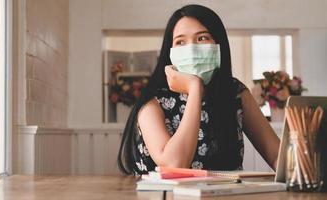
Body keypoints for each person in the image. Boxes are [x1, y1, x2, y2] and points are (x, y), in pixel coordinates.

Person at [117, 4, 280, 175]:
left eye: (202, 38)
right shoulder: (152, 103)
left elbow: (276, 155)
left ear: (219, 44)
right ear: (170, 52)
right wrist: (195, 88)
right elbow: (174, 165)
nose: (192, 49)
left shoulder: (235, 92)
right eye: (180, 42)